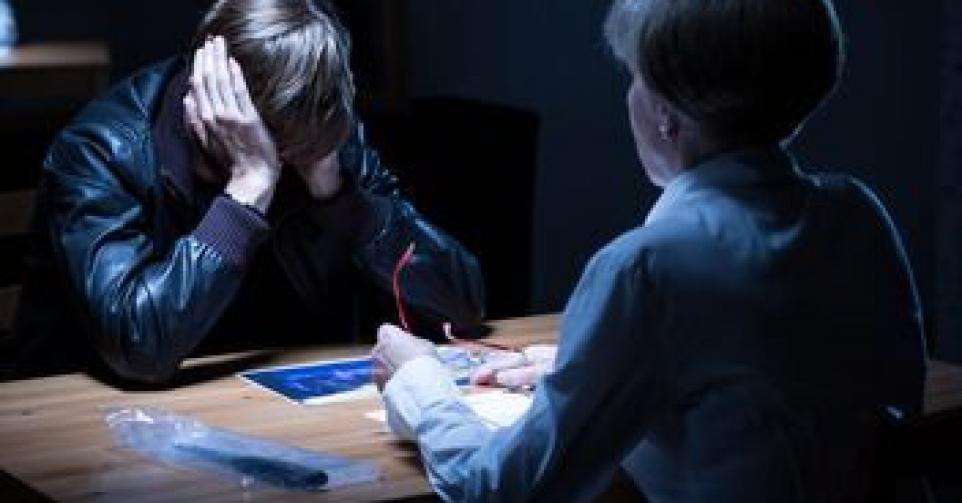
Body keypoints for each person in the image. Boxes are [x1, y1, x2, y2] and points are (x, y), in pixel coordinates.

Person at [372, 0, 927, 501]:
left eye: (634, 75)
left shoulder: (647, 268)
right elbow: (767, 391)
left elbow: (498, 489)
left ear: (666, 111)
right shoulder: (857, 214)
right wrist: (593, 369)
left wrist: (423, 386)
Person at [10, 0, 485, 385]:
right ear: (213, 101)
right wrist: (248, 189)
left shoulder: (319, 136)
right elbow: (138, 345)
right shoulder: (102, 150)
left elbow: (463, 305)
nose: (290, 164)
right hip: (87, 421)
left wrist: (337, 195)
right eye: (280, 152)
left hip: (274, 403)